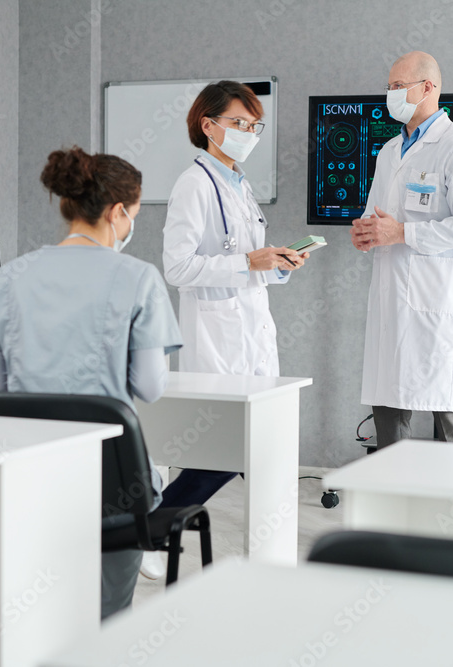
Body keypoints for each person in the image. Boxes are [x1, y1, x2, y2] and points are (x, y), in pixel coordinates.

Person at [0, 146, 182, 660]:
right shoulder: (138, 278)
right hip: (110, 483)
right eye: (134, 214)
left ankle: (6, 599)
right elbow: (151, 386)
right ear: (118, 213)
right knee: (111, 593)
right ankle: (99, 639)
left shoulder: (8, 278)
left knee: (46, 527)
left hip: (26, 473)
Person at [157, 81, 308, 568]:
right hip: (217, 339)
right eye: (238, 123)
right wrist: (249, 261)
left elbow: (248, 265)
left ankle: (157, 531)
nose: (248, 132)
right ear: (208, 125)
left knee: (243, 449)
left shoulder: (240, 185)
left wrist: (278, 264)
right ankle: (152, 530)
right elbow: (177, 268)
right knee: (226, 451)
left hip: (251, 333)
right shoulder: (193, 184)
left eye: (253, 125)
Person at [350, 51, 453, 448]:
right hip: (390, 297)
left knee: (446, 406)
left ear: (428, 87)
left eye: (397, 87)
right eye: (389, 87)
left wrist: (402, 234)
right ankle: (394, 499)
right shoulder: (389, 152)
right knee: (388, 405)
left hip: (435, 300)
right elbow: (377, 217)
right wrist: (365, 233)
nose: (390, 94)